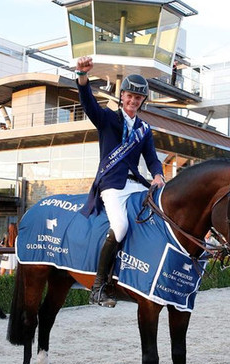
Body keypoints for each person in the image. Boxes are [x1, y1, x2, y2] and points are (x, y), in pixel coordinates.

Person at [75, 56, 165, 308]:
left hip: (135, 183)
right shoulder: (106, 119)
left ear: (141, 101)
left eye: (138, 98)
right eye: (129, 96)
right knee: (121, 226)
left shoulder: (144, 129)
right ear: (122, 96)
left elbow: (152, 159)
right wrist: (83, 77)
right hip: (112, 184)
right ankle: (98, 287)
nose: (133, 101)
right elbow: (88, 103)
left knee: (156, 215)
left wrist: (158, 174)